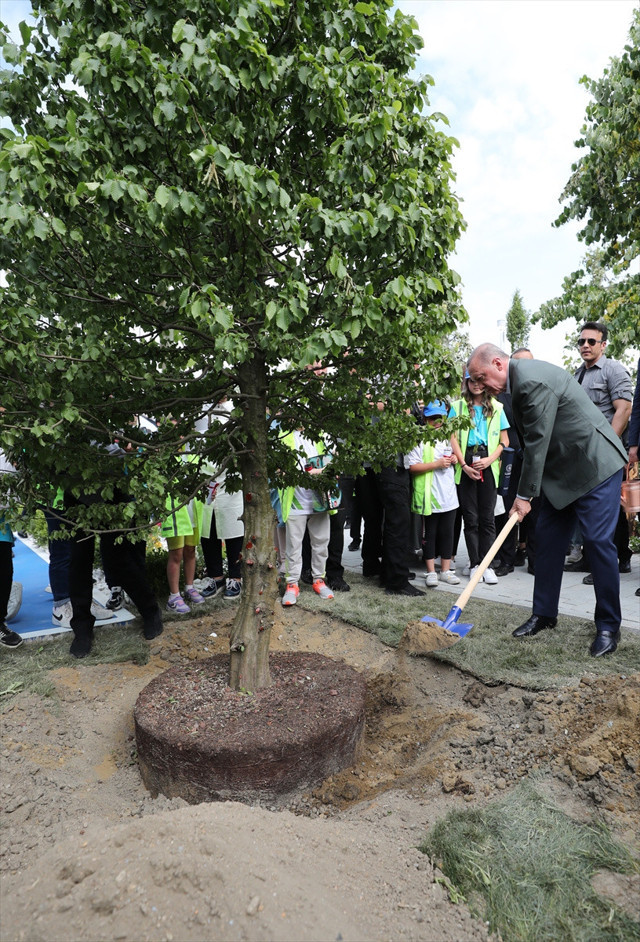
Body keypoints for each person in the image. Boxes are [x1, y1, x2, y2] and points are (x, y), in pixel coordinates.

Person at [467, 343, 628, 657]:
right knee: (548, 541)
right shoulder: (508, 390)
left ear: (498, 363)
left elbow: (538, 439)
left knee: (597, 542)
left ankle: (609, 626)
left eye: (481, 377)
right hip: (560, 475)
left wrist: (524, 496)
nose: (480, 385)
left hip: (595, 466)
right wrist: (522, 492)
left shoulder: (529, 380)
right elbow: (529, 445)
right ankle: (544, 613)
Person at [572, 322, 633, 585]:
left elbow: (624, 410)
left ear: (603, 344)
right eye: (582, 341)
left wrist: (606, 447)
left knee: (607, 513)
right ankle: (590, 560)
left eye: (591, 342)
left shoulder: (613, 369)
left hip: (606, 455)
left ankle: (612, 564)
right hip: (582, 456)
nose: (585, 345)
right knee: (589, 512)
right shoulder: (577, 375)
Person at [450, 373, 509, 585]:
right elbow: (453, 438)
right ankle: (475, 563)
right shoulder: (457, 407)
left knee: (488, 518)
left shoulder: (497, 406)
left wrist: (489, 460)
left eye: (479, 381)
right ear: (466, 382)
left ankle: (487, 565)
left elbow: (504, 441)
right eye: (471, 381)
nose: (476, 385)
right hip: (466, 461)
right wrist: (463, 465)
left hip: (488, 462)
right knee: (471, 518)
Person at [278, 428, 335, 607]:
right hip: (296, 500)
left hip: (320, 500)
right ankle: (292, 584)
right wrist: (304, 475)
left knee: (321, 542)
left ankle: (319, 580)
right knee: (293, 545)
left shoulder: (321, 435)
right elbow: (278, 470)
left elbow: (334, 462)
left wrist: (325, 471)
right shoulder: (283, 437)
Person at [408, 401, 460, 588]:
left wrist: (454, 458)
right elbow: (413, 467)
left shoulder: (448, 436)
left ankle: (445, 570)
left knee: (448, 533)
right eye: (432, 418)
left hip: (449, 495)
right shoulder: (418, 439)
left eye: (440, 418)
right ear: (424, 419)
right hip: (429, 496)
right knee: (430, 534)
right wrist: (436, 464)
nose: (437, 422)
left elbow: (455, 455)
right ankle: (431, 571)